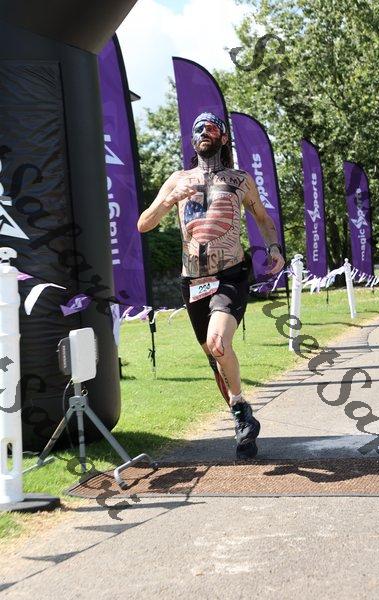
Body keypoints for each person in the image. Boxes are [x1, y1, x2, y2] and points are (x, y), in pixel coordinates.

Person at [137, 112, 285, 458]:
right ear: (192, 140)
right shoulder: (178, 180)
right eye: (198, 128)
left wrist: (274, 248)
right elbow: (144, 224)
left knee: (218, 342)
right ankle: (242, 418)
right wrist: (170, 198)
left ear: (223, 138)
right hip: (193, 281)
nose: (204, 131)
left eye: (211, 127)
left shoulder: (239, 180)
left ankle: (240, 409)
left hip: (230, 275)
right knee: (213, 354)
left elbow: (263, 219)